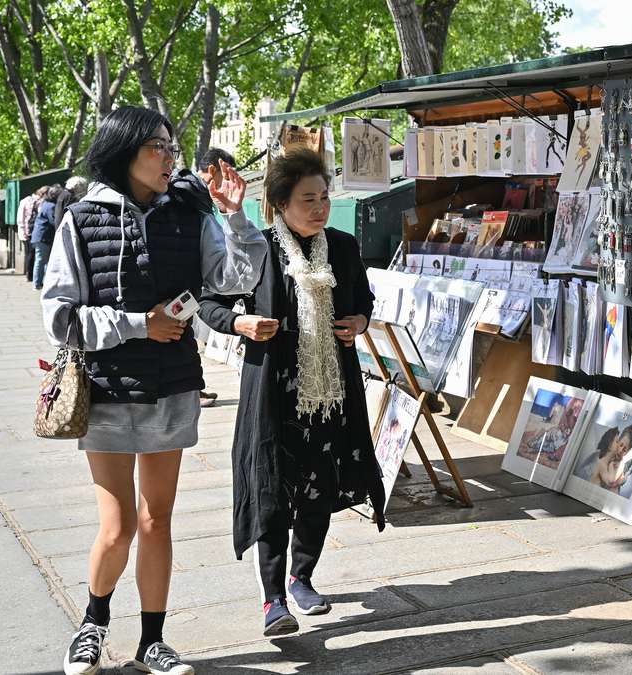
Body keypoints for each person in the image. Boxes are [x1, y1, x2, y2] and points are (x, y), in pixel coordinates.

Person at [41, 106, 267, 675]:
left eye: (171, 147)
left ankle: (152, 642)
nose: (170, 158)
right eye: (157, 148)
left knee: (156, 521)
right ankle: (92, 625)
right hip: (109, 388)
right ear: (125, 152)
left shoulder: (189, 214)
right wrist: (141, 323)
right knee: (116, 527)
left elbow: (234, 280)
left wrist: (236, 218)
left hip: (172, 386)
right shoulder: (81, 216)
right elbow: (59, 317)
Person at [197, 148, 386, 638]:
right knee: (273, 492)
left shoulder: (342, 247)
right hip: (274, 393)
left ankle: (303, 576)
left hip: (330, 393)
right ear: (281, 203)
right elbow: (210, 304)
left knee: (319, 489)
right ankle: (273, 597)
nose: (320, 207)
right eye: (308, 199)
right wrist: (240, 321)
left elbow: (363, 299)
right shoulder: (256, 249)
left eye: (324, 197)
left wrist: (360, 321)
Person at [191, 146, 238, 408]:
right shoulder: (196, 196)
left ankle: (194, 389)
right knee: (185, 336)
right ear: (213, 171)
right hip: (190, 283)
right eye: (227, 176)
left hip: (193, 282)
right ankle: (193, 391)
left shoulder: (196, 195)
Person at [30, 185, 63, 290]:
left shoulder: (45, 203)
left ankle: (42, 282)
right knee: (41, 260)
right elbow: (53, 221)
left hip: (40, 236)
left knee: (43, 260)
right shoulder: (51, 206)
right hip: (43, 236)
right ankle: (37, 283)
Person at [17, 185, 48, 281]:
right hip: (29, 231)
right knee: (31, 253)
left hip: (31, 231)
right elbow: (21, 217)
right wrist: (23, 231)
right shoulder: (28, 201)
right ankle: (29, 274)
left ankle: (29, 274)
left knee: (31, 253)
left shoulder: (28, 201)